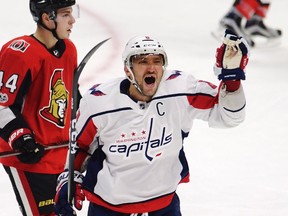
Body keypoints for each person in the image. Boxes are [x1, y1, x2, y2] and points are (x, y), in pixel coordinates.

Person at [54, 30, 249, 216]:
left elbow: (230, 116)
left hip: (164, 206)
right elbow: (80, 146)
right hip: (109, 208)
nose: (151, 67)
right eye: (142, 61)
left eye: (157, 61)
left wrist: (232, 81)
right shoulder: (99, 102)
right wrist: (69, 179)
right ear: (127, 70)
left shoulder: (181, 90)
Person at [0, 0, 79, 215]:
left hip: (60, 155)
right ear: (47, 18)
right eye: (65, 14)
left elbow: (74, 99)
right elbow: (1, 104)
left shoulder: (69, 50)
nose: (72, 20)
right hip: (28, 158)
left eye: (72, 13)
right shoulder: (19, 52)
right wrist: (21, 138)